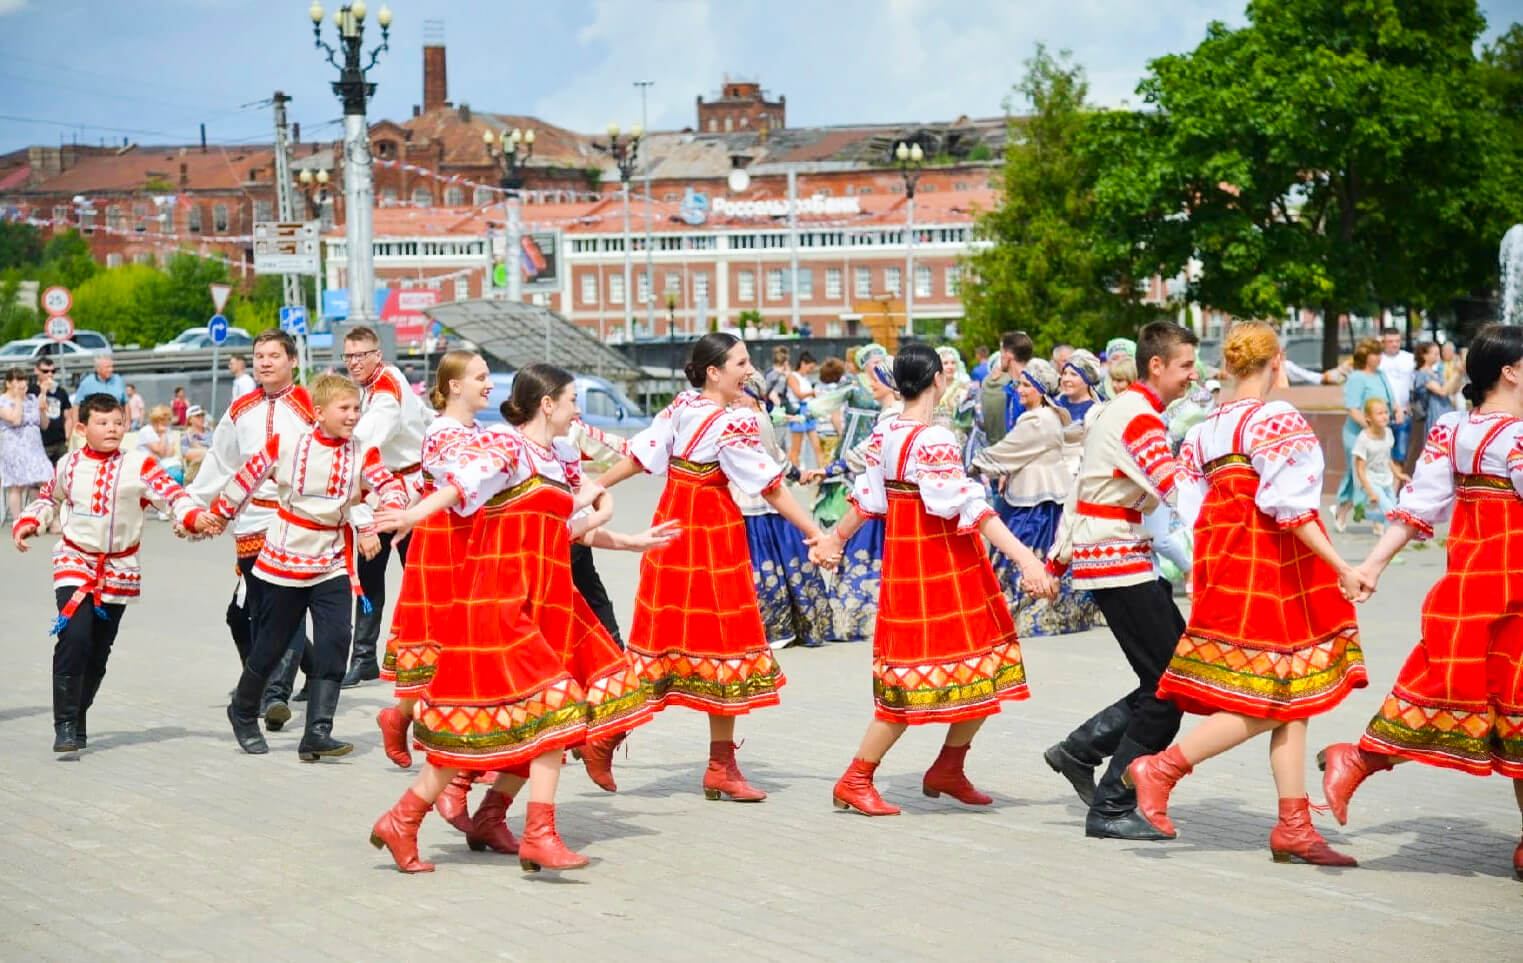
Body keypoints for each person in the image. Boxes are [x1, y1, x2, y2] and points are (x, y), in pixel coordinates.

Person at [369, 365, 671, 874]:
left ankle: (415, 818)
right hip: (501, 603)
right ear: (546, 403)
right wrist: (413, 516)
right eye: (572, 399)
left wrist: (632, 540)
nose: (578, 410)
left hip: (547, 602)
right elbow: (459, 486)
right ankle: (538, 834)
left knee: (493, 725)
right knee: (556, 712)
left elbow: (567, 530)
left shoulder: (553, 460)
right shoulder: (505, 446)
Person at [1121, 321, 1369, 865]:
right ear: (1277, 361)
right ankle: (1161, 768)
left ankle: (1293, 824)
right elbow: (1293, 508)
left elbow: (1189, 506)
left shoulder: (1207, 428)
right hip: (1273, 567)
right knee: (1273, 696)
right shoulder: (1275, 418)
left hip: (1226, 563)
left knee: (1292, 697)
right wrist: (1342, 566)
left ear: (1230, 366)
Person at [813, 342, 1056, 816]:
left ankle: (948, 767)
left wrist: (834, 540)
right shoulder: (935, 439)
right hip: (942, 563)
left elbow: (868, 500)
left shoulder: (886, 435)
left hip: (908, 563)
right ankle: (856, 777)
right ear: (937, 382)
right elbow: (970, 507)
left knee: (984, 669)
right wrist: (1026, 559)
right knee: (918, 678)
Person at [1317, 323, 1523, 881]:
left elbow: (1418, 507)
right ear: (1510, 370)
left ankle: (1358, 759)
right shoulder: (1518, 437)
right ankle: (1358, 757)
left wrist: (1371, 565)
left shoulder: (1454, 431)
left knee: (1501, 706)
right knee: (1507, 703)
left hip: (1474, 582)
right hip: (1510, 585)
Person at [594, 332, 828, 801]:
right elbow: (770, 486)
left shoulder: (684, 407)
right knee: (714, 641)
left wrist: (596, 484)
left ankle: (707, 762)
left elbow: (642, 456)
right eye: (741, 363)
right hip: (706, 529)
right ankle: (613, 736)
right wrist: (816, 532)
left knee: (679, 639)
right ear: (714, 372)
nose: (750, 371)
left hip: (677, 520)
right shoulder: (729, 421)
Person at [1043, 321, 1201, 840]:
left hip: (1113, 553)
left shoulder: (1121, 409)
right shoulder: (1139, 419)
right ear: (1156, 366)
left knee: (1168, 676)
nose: (1192, 376)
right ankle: (1112, 803)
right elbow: (1175, 487)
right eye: (1185, 366)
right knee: (1172, 686)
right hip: (1117, 557)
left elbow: (1080, 488)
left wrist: (1060, 558)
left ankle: (1081, 750)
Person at [207, 373, 409, 761]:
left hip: (331, 557)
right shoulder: (287, 445)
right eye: (344, 409)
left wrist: (395, 508)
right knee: (273, 645)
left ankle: (317, 732)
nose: (353, 416)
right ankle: (244, 710)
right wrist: (217, 516)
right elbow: (246, 479)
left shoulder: (362, 452)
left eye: (356, 408)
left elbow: (386, 483)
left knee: (335, 640)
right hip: (284, 555)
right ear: (319, 412)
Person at [12, 393, 220, 754]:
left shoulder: (140, 465)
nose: (111, 429)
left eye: (117, 423)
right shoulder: (68, 464)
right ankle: (63, 725)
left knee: (98, 651)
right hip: (75, 562)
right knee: (74, 637)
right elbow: (49, 498)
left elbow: (173, 496)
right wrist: (30, 521)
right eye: (102, 423)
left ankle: (78, 716)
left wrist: (194, 517)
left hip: (118, 569)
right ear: (82, 428)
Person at [188, 329, 316, 730]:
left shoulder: (311, 406)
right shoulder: (240, 408)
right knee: (248, 613)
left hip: (296, 519)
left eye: (273, 355)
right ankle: (268, 679)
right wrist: (190, 506)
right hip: (249, 520)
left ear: (292, 360)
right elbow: (220, 461)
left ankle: (276, 693)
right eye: (259, 355)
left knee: (286, 608)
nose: (264, 362)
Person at [375, 351, 488, 774]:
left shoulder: (477, 430)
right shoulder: (442, 432)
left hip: (474, 540)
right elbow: (466, 479)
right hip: (445, 543)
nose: (488, 384)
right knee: (443, 638)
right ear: (455, 386)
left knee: (471, 636)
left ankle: (405, 718)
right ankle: (433, 730)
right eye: (480, 376)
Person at [972, 359, 1103, 637]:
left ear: (1041, 389)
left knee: (1023, 551)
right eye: (1020, 384)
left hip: (1035, 499)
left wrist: (975, 462)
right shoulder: (1048, 415)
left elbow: (1009, 450)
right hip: (1038, 493)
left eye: (1026, 385)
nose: (1019, 389)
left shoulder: (1037, 420)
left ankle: (1027, 612)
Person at [339, 326, 429, 687]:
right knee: (369, 573)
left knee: (417, 575)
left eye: (362, 355)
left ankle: (422, 654)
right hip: (385, 489)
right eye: (349, 356)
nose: (355, 362)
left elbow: (364, 443)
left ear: (377, 354)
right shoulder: (376, 385)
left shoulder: (387, 390)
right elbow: (425, 417)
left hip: (405, 492)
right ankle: (364, 657)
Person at [735, 373, 832, 649]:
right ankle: (794, 622)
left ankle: (775, 626)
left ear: (753, 397)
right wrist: (797, 473)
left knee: (762, 561)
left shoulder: (751, 420)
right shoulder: (760, 416)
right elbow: (777, 454)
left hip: (755, 497)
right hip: (764, 493)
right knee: (785, 561)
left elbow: (766, 458)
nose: (736, 396)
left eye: (742, 392)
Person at [827, 354, 901, 645]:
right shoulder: (888, 414)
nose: (872, 383)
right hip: (876, 495)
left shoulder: (893, 415)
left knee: (870, 557)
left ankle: (864, 616)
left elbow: (864, 453)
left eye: (878, 378)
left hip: (879, 499)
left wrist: (830, 468)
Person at [1332, 339, 1395, 532]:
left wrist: (1397, 410)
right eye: (1374, 353)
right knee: (1359, 474)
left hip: (1379, 433)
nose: (1379, 357)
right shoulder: (1357, 377)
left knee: (1378, 471)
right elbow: (1352, 408)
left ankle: (1377, 519)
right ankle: (1344, 509)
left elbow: (1389, 399)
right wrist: (1370, 426)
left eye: (1379, 353)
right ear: (1365, 357)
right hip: (1358, 434)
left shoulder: (1381, 375)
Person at [1, 366, 53, 521]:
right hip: (14, 446)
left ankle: (37, 517)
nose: (21, 383)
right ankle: (18, 520)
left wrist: (43, 409)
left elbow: (44, 424)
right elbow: (15, 420)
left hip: (35, 446)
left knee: (45, 479)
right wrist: (17, 398)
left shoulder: (32, 398)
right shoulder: (3, 401)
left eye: (23, 379)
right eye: (17, 380)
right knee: (17, 485)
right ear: (9, 383)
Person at [1409, 341, 1464, 477]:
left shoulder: (1434, 372)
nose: (1438, 356)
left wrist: (1459, 375)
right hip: (1435, 414)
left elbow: (1451, 390)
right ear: (1424, 355)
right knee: (1437, 450)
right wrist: (1457, 373)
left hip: (1445, 411)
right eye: (1434, 353)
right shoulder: (1422, 374)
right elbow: (1442, 391)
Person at [1352, 398, 1407, 535]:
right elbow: (1360, 469)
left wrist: (1398, 474)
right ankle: (1389, 546)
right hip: (1371, 480)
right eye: (1379, 413)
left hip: (1386, 479)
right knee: (1390, 512)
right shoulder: (1363, 439)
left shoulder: (1388, 433)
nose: (1384, 416)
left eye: (1386, 412)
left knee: (1395, 510)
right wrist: (1370, 491)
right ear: (1368, 418)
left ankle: (1365, 513)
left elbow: (1388, 458)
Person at [978, 331, 1033, 445]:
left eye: (1001, 352)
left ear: (1008, 355)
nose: (1000, 357)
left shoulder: (1025, 389)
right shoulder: (1011, 387)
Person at [1378, 326, 1416, 464]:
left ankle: (1395, 486)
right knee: (1381, 457)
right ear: (1382, 342)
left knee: (1400, 456)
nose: (1394, 344)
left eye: (1397, 341)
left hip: (1404, 414)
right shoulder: (1378, 360)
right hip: (1382, 414)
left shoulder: (1410, 358)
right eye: (1390, 341)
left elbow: (1417, 382)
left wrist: (1412, 404)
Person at [27, 358, 73, 465]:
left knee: (62, 474)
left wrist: (67, 438)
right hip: (40, 442)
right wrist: (43, 391)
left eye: (53, 371)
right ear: (36, 371)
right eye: (45, 371)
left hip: (59, 441)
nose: (50, 374)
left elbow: (68, 416)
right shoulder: (31, 391)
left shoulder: (60, 391)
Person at [785, 351, 826, 470]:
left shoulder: (805, 379)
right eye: (810, 367)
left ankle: (822, 472)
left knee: (817, 445)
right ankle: (794, 473)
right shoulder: (792, 376)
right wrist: (813, 392)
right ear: (803, 364)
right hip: (798, 411)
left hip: (808, 411)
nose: (811, 370)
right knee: (796, 447)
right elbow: (799, 394)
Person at [137, 404, 183, 487]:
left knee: (177, 475)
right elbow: (161, 452)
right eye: (165, 419)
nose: (168, 422)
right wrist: (163, 434)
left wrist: (163, 435)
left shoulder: (167, 430)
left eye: (169, 419)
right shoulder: (146, 431)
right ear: (157, 420)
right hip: (147, 466)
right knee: (174, 475)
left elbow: (169, 453)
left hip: (164, 464)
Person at [180, 406, 211, 480]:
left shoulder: (211, 433)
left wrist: (197, 446)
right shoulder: (186, 436)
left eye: (202, 415)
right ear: (190, 420)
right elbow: (185, 453)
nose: (201, 418)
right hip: (196, 471)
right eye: (197, 416)